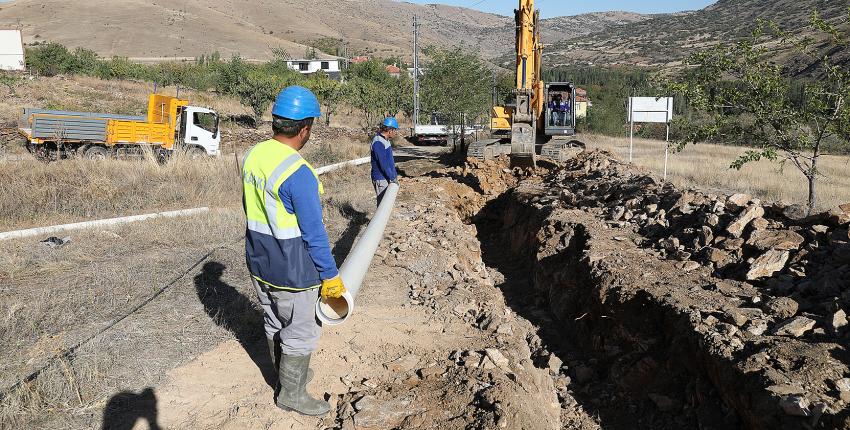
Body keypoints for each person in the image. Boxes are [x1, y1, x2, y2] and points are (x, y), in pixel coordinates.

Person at [241, 86, 346, 417]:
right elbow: (315, 235)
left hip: (260, 260)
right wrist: (330, 278)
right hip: (293, 269)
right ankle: (292, 394)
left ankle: (284, 378)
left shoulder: (255, 154)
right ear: (306, 128)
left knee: (273, 319)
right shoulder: (298, 173)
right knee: (300, 332)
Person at [370, 117, 399, 205]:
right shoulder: (378, 142)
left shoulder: (385, 140)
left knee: (387, 203)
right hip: (381, 178)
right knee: (383, 204)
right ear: (390, 130)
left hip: (385, 177)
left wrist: (393, 175)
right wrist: (392, 177)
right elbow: (384, 164)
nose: (395, 133)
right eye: (395, 130)